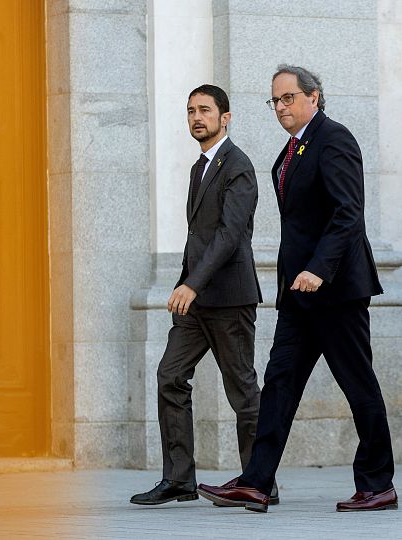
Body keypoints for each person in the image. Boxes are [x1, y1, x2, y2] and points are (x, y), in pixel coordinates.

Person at [197, 65, 397, 513]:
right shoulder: (293, 150)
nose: (281, 107)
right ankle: (256, 481)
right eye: (275, 101)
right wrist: (293, 279)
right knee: (279, 384)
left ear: (314, 96)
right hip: (299, 294)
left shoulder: (335, 139)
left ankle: (378, 483)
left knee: (357, 383)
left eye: (289, 98)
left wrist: (320, 269)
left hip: (336, 290)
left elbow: (349, 213)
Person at [130, 84, 266, 505]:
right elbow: (199, 236)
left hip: (228, 298)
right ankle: (179, 479)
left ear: (225, 117)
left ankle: (259, 479)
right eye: (190, 110)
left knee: (242, 391)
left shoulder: (238, 166)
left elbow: (228, 236)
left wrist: (192, 282)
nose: (196, 118)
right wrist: (185, 281)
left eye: (204, 110)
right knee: (170, 375)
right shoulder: (199, 167)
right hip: (197, 301)